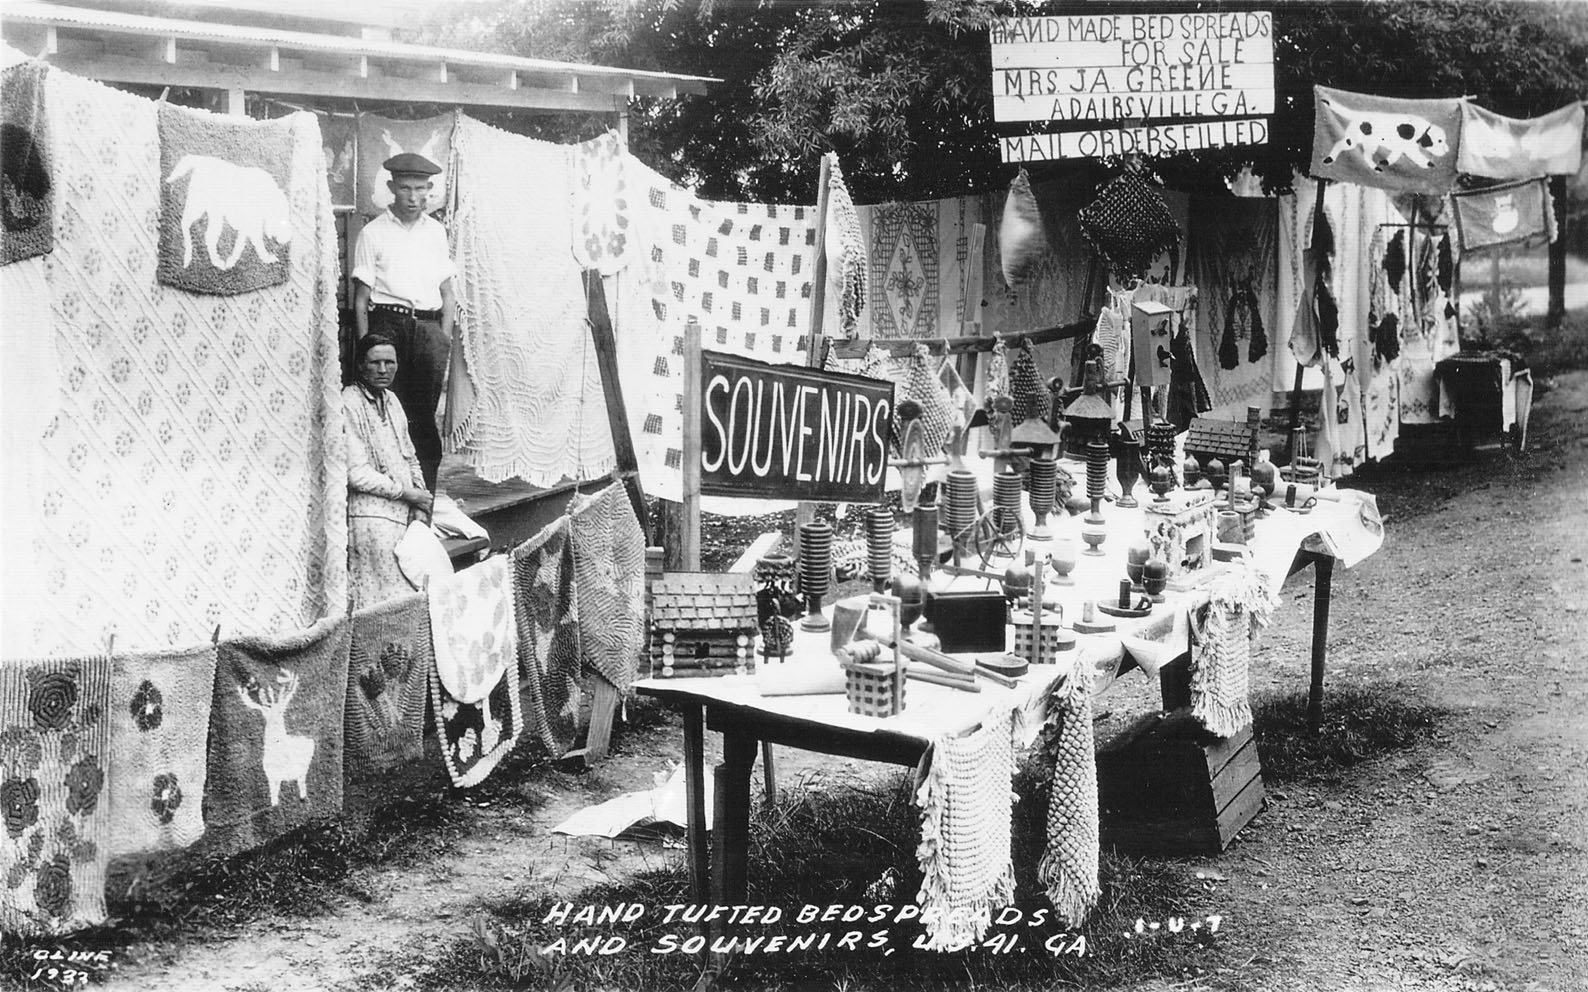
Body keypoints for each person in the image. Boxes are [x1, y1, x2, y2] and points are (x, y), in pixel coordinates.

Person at [351, 152, 455, 492]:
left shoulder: (436, 233)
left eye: (421, 189)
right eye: (406, 189)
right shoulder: (373, 233)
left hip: (427, 329)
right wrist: (368, 347)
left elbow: (448, 291)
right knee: (387, 416)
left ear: (429, 190)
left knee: (424, 418)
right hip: (387, 326)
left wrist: (443, 338)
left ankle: (426, 501)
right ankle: (393, 498)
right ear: (392, 188)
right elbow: (362, 299)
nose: (414, 197)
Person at [344, 334, 433, 610]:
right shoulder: (349, 402)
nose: (383, 370)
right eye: (375, 363)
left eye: (389, 362)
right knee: (383, 600)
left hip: (406, 509)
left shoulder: (392, 400)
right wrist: (407, 494)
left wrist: (420, 502)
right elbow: (355, 473)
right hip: (370, 515)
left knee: (419, 586)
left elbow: (410, 455)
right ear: (360, 365)